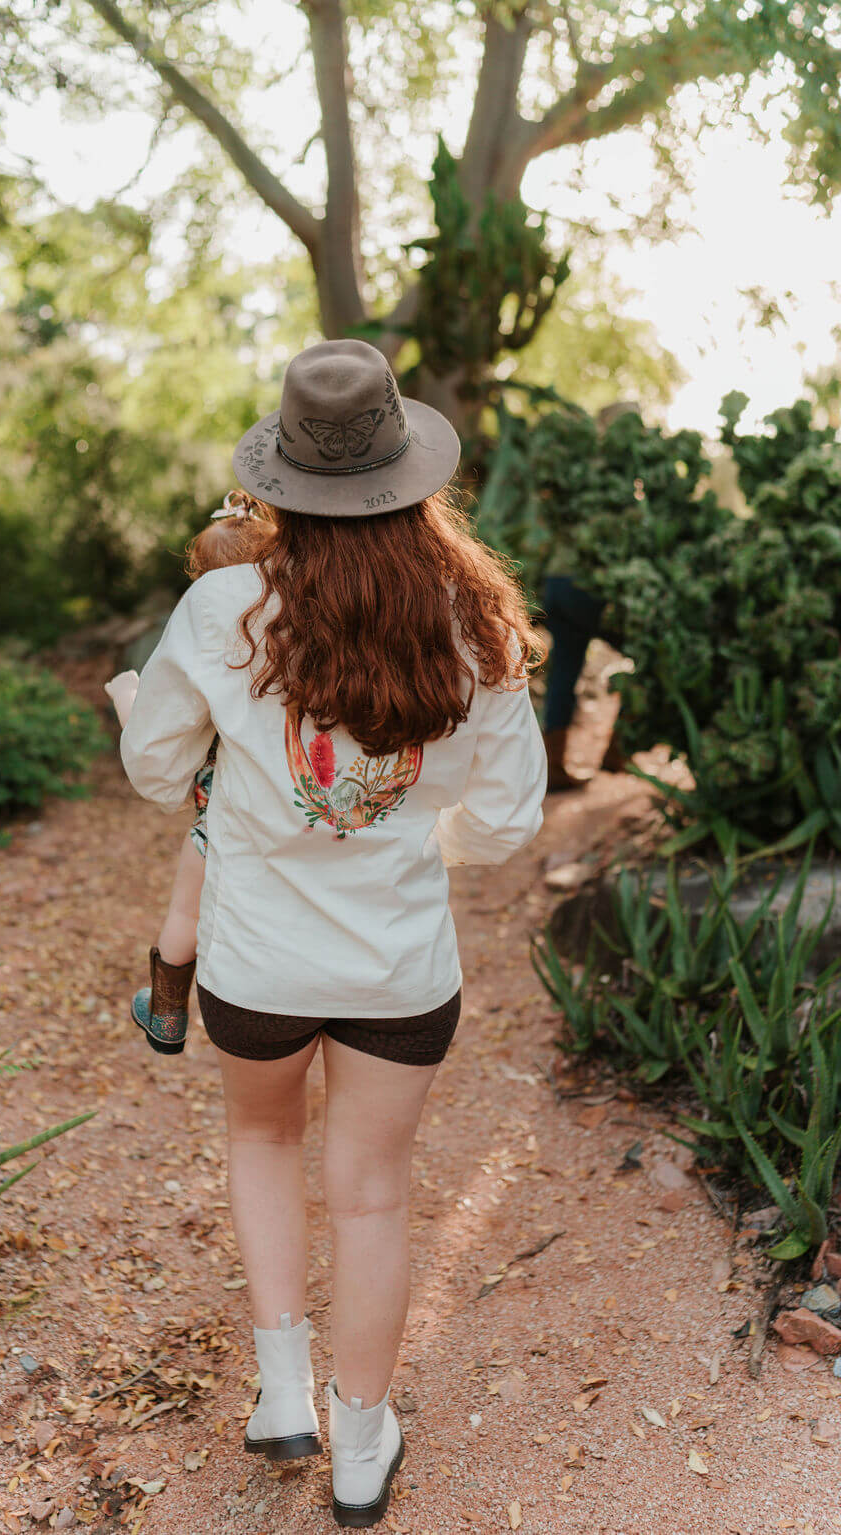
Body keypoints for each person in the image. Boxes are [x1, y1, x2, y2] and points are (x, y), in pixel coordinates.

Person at [111, 339, 547, 1529]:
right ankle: (360, 1447)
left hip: (255, 964)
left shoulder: (222, 606)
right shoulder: (477, 621)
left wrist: (186, 737)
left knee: (261, 1141)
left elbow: (155, 770)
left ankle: (278, 1389)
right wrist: (416, 840)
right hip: (398, 970)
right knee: (371, 1198)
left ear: (284, 480)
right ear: (410, 476)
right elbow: (507, 819)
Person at [104, 491, 273, 1054]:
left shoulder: (207, 634)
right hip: (283, 809)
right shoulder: (291, 632)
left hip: (215, 825)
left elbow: (158, 737)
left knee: (184, 911)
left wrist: (127, 695)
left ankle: (168, 1014)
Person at [540, 401, 637, 790]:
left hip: (557, 583)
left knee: (564, 669)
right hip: (590, 586)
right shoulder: (619, 474)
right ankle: (618, 749)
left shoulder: (576, 470)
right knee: (646, 653)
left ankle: (552, 765)